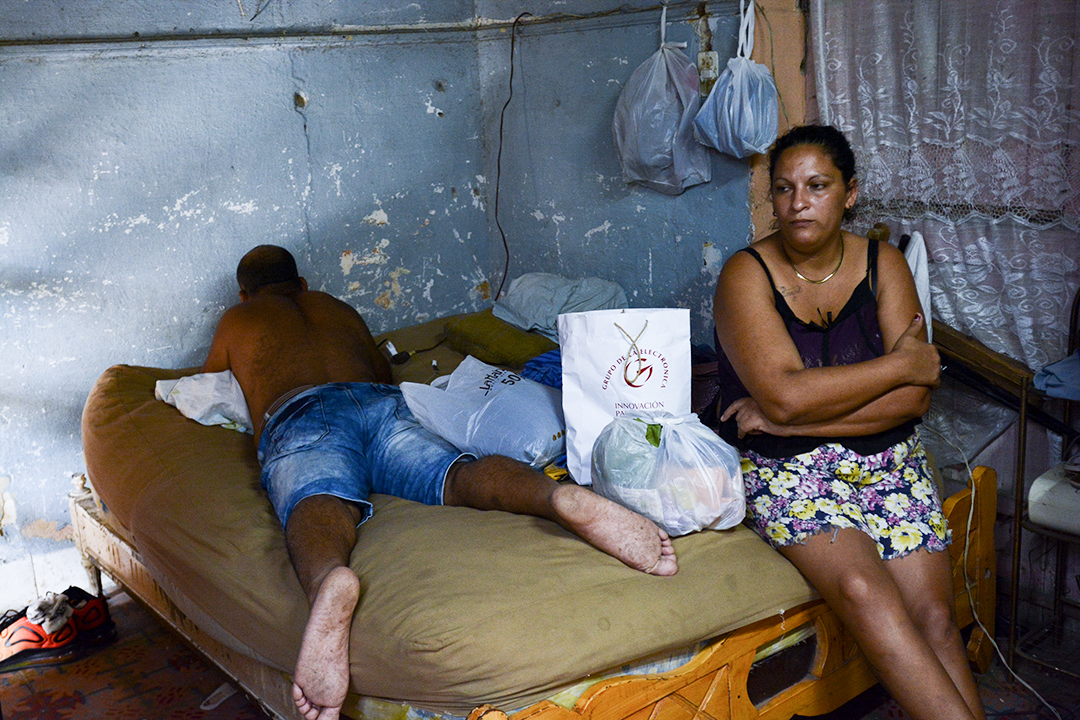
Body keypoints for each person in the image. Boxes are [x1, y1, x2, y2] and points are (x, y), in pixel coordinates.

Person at [201, 245, 677, 720]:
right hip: (382, 404)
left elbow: (212, 383)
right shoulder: (335, 307)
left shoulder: (237, 320)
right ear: (302, 284)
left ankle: (330, 576)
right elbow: (380, 370)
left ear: (245, 295)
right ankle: (554, 496)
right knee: (459, 473)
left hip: (304, 411)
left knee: (317, 494)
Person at [712, 126, 986, 720]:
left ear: (850, 193)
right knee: (866, 593)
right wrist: (896, 366)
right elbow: (783, 397)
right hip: (791, 472)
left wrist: (792, 418)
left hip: (891, 461)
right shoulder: (746, 274)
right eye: (783, 188)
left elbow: (913, 401)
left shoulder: (884, 265)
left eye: (816, 185)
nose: (797, 202)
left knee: (936, 618)